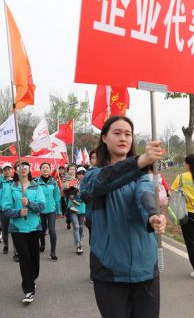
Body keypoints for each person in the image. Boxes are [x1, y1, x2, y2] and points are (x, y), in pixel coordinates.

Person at [82, 116, 166, 318]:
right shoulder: (92, 176)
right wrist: (141, 161)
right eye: (117, 133)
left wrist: (152, 216)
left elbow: (144, 197)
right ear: (104, 138)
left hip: (146, 269)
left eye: (128, 134)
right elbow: (103, 183)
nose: (123, 138)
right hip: (110, 271)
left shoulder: (142, 176)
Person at [1, 160, 45, 304]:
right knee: (24, 258)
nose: (23, 168)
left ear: (29, 169)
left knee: (34, 259)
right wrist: (19, 212)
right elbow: (5, 209)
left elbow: (42, 206)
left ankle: (32, 278)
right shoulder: (11, 188)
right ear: (15, 170)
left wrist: (30, 204)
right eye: (19, 167)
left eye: (25, 166)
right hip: (17, 229)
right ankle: (28, 290)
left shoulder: (36, 187)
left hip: (34, 228)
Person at [36, 162, 61, 261]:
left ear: (50, 170)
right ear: (40, 170)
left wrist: (58, 210)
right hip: (40, 210)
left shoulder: (54, 182)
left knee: (52, 230)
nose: (45, 169)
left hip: (51, 210)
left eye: (47, 168)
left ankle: (53, 252)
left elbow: (57, 197)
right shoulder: (36, 182)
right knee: (41, 231)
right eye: (43, 168)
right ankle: (42, 243)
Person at [66, 166, 87, 254]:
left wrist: (82, 195)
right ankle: (79, 245)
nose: (81, 175)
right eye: (79, 173)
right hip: (73, 206)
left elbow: (89, 196)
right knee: (76, 226)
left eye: (83, 173)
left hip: (82, 206)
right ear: (77, 174)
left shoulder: (87, 183)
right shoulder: (72, 182)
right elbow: (67, 192)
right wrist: (70, 195)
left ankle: (80, 238)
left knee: (81, 226)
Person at [62, 164, 78, 230]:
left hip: (77, 196)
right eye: (70, 169)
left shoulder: (78, 177)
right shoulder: (65, 178)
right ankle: (68, 221)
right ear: (68, 170)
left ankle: (77, 223)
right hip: (68, 196)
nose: (72, 171)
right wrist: (69, 184)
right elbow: (64, 187)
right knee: (68, 211)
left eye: (73, 169)